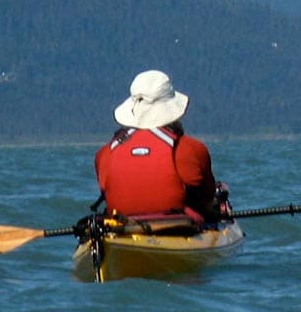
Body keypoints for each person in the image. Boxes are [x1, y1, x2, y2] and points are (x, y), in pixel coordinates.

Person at [94, 70, 220, 223]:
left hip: (122, 227)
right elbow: (206, 199)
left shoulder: (105, 154)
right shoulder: (192, 149)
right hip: (178, 228)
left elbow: (105, 190)